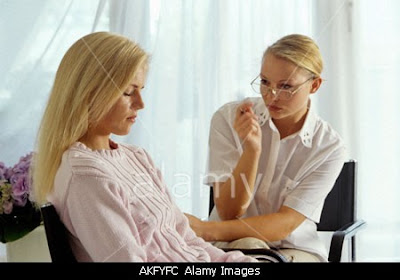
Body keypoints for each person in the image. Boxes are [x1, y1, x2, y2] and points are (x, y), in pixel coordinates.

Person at [31, 32, 257, 262]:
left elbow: (186, 238)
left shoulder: (137, 157)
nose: (141, 103)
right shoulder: (86, 176)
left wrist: (242, 265)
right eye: (129, 92)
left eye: (141, 90)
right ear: (89, 93)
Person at [185, 34, 346, 262]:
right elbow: (229, 211)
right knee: (249, 249)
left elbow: (284, 224)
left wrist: (205, 229)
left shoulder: (329, 147)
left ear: (315, 85)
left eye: (286, 86)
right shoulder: (228, 119)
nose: (271, 96)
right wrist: (252, 150)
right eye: (264, 82)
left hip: (295, 249)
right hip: (229, 245)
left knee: (253, 253)